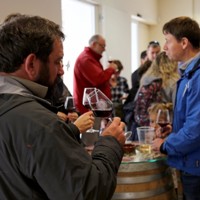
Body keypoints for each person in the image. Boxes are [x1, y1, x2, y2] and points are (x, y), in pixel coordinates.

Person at [0, 14, 126, 199]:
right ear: (31, 64)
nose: (61, 70)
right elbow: (89, 191)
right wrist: (110, 142)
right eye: (58, 61)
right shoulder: (39, 123)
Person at [152, 16, 200, 200]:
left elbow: (195, 131)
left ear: (184, 42)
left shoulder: (197, 77)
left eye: (167, 40)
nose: (164, 47)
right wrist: (174, 129)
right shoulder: (189, 74)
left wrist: (165, 145)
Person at [132, 51, 179, 140]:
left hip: (143, 128)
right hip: (164, 130)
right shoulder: (173, 81)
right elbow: (177, 108)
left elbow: (136, 101)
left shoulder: (146, 79)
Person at [73, 34, 118, 115]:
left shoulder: (91, 58)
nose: (104, 49)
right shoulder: (86, 59)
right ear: (94, 44)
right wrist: (111, 69)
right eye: (102, 46)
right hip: (88, 108)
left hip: (94, 106)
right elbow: (98, 79)